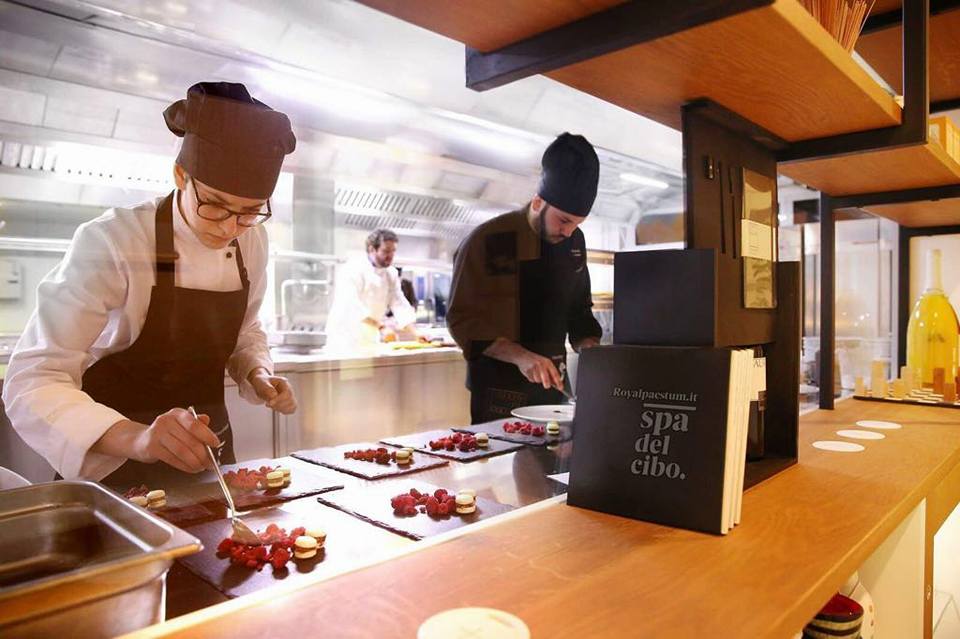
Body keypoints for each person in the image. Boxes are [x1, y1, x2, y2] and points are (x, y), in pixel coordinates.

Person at [2, 82, 298, 486]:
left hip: (210, 461)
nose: (231, 227)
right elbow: (33, 377)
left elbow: (245, 329)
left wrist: (257, 373)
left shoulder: (252, 240)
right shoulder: (114, 239)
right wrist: (138, 438)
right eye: (213, 204)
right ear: (180, 175)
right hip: (115, 466)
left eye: (248, 212)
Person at [447, 133, 603, 424]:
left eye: (577, 224)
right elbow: (464, 321)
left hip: (553, 392)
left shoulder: (573, 242)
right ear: (537, 202)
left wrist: (592, 349)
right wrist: (522, 357)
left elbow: (579, 311)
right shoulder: (494, 239)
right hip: (499, 394)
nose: (569, 232)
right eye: (564, 221)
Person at [324, 229, 417, 351]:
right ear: (372, 249)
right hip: (345, 339)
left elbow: (399, 302)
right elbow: (353, 306)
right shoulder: (352, 269)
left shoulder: (390, 273)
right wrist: (381, 327)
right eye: (386, 251)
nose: (390, 256)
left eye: (393, 251)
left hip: (370, 337)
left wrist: (416, 333)